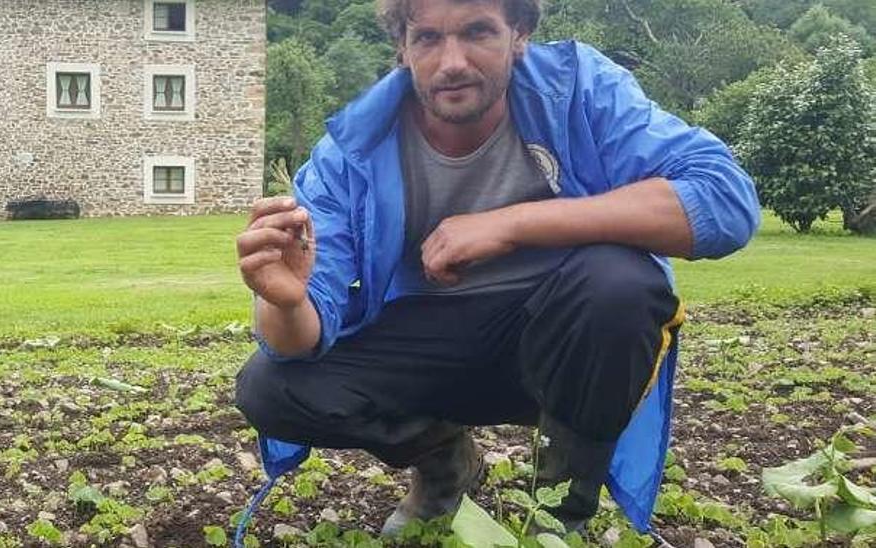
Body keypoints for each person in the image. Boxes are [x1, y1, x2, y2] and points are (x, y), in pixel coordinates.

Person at [233, 0, 760, 535]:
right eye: (428, 39)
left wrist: (513, 223)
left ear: (520, 33)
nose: (452, 61)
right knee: (270, 387)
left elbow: (724, 201)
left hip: (565, 337)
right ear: (402, 48)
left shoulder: (579, 90)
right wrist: (287, 300)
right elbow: (298, 339)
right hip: (432, 342)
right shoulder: (350, 152)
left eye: (478, 32)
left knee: (620, 284)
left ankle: (557, 514)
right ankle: (446, 465)